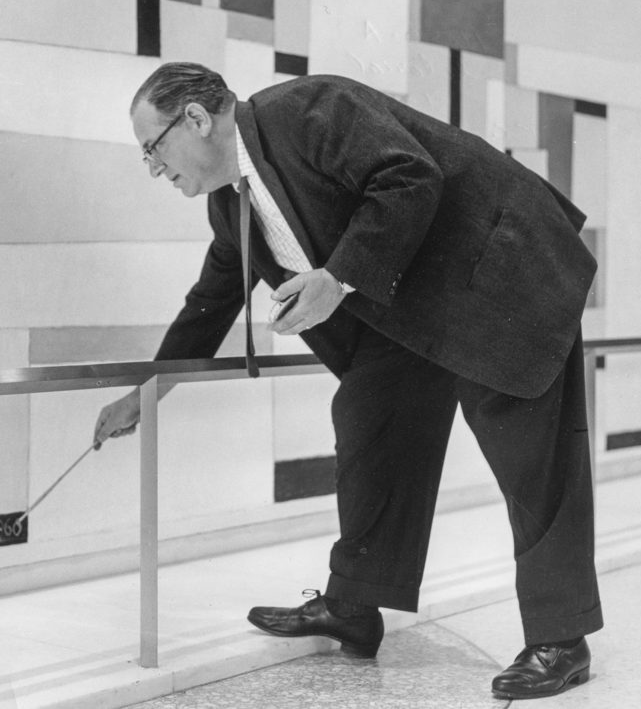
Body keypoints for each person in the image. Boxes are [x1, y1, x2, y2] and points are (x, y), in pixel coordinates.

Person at [93, 62, 602, 700]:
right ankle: (355, 606)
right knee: (371, 420)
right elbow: (210, 303)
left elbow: (409, 173)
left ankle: (563, 639)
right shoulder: (232, 206)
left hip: (498, 270)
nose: (154, 168)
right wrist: (144, 394)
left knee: (531, 454)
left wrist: (336, 278)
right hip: (412, 308)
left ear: (195, 119)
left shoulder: (307, 109)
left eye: (153, 148)